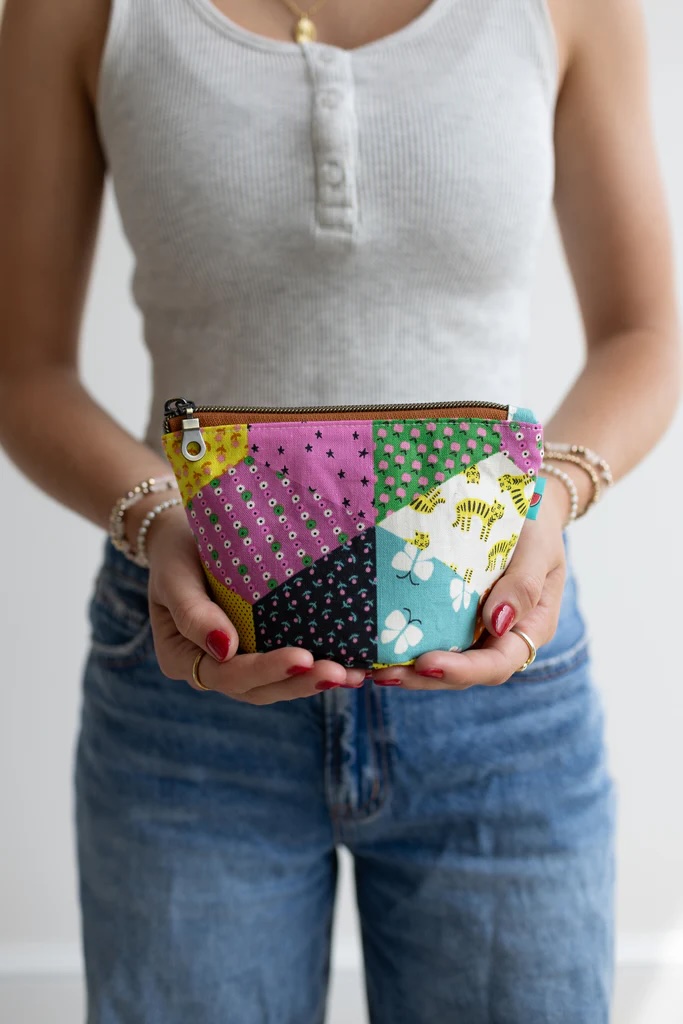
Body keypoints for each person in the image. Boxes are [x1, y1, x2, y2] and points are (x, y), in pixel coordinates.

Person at [0, 0, 680, 1020]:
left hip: (498, 689)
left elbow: (643, 333)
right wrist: (157, 520)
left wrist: (548, 496)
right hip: (190, 681)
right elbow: (24, 370)